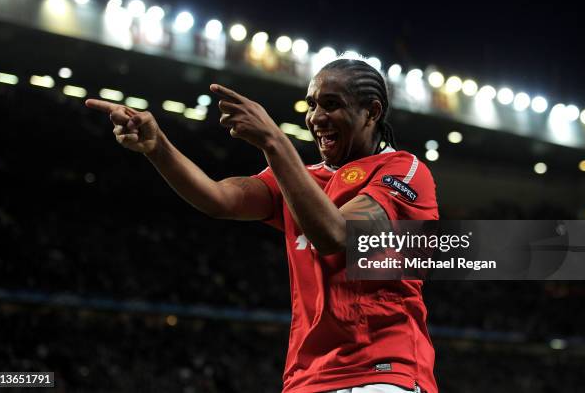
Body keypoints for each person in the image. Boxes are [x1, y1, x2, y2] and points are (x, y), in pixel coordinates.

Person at [86, 58, 439, 393]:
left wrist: (273, 141)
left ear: (372, 112)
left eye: (331, 104)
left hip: (383, 371)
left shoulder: (402, 171)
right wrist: (157, 147)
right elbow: (219, 199)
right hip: (307, 377)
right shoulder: (300, 178)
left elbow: (337, 234)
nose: (316, 117)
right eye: (312, 105)